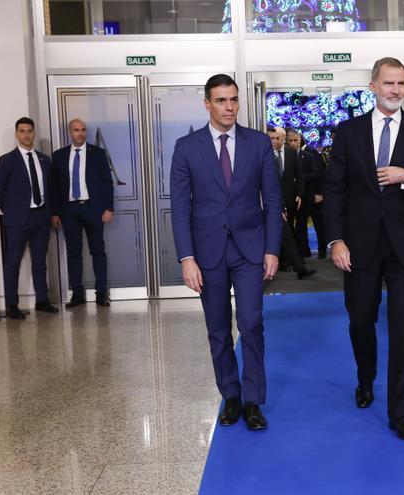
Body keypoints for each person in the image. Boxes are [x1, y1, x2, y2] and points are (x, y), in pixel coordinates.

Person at [324, 57, 404, 441]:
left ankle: (400, 414)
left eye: (402, 84)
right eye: (389, 83)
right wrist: (335, 239)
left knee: (403, 329)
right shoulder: (348, 132)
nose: (396, 90)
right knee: (361, 320)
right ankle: (365, 378)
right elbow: (334, 190)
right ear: (373, 86)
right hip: (359, 246)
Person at [170, 74, 282, 431]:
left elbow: (273, 198)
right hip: (207, 254)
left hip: (250, 250)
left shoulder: (258, 143)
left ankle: (253, 400)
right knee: (217, 328)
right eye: (221, 100)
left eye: (233, 99)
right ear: (207, 104)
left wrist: (272, 249)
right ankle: (230, 395)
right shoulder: (186, 147)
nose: (229, 106)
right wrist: (186, 258)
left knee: (251, 323)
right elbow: (180, 207)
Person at [0, 117, 60, 320]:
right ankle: (12, 305)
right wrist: (12, 210)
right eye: (22, 131)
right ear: (16, 134)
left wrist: (51, 212)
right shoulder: (7, 160)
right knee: (13, 262)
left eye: (30, 131)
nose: (26, 135)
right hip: (17, 219)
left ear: (34, 134)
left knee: (40, 261)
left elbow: (51, 189)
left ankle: (42, 300)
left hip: (41, 216)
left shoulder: (43, 160)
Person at [51, 118, 115, 308]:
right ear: (70, 132)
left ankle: (101, 294)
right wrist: (55, 213)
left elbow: (107, 182)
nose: (80, 133)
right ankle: (77, 294)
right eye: (76, 130)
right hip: (69, 210)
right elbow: (54, 188)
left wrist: (109, 208)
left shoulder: (97, 154)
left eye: (83, 130)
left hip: (93, 208)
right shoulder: (59, 156)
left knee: (98, 251)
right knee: (73, 253)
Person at [269, 127, 316, 279]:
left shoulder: (290, 153)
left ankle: (297, 266)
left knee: (287, 233)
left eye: (277, 138)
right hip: (271, 203)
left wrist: (299, 195)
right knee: (285, 234)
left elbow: (299, 177)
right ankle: (295, 266)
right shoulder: (264, 156)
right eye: (272, 138)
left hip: (285, 201)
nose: (275, 141)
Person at [287, 129, 322, 258]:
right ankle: (292, 255)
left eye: (295, 140)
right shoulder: (282, 156)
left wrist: (299, 178)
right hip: (288, 197)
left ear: (300, 140)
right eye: (290, 140)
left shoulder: (308, 156)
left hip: (305, 196)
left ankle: (304, 253)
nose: (293, 143)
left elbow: (316, 174)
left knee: (302, 227)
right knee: (289, 227)